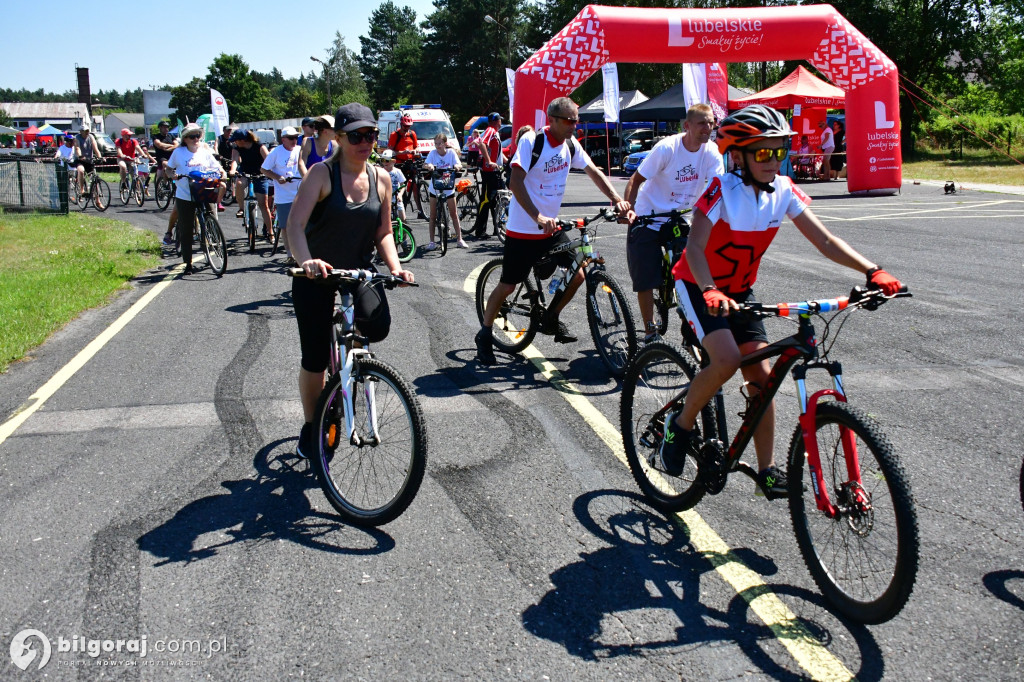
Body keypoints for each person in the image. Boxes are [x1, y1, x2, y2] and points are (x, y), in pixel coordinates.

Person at [657, 104, 903, 498]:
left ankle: (766, 469)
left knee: (763, 379)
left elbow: (825, 240)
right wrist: (709, 290)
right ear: (737, 156)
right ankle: (680, 425)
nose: (774, 161)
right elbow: (696, 247)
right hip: (698, 285)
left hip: (739, 293)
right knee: (727, 360)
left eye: (778, 151)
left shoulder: (784, 190)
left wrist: (872, 270)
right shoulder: (720, 188)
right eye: (764, 152)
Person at [285, 102, 414, 459]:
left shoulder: (382, 178)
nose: (365, 142)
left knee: (378, 326)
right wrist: (306, 260)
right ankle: (313, 427)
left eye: (371, 135)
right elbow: (294, 227)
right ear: (339, 138)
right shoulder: (321, 175)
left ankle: (350, 372)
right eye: (356, 135)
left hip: (358, 274)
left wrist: (396, 267)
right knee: (313, 359)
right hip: (316, 276)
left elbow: (384, 232)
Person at [474, 97, 631, 365]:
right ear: (553, 120)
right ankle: (485, 333)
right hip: (523, 230)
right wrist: (537, 216)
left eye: (577, 121)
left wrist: (617, 200)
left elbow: (593, 171)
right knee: (508, 286)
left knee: (579, 273)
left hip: (551, 228)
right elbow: (515, 181)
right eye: (570, 121)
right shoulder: (532, 142)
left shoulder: (570, 144)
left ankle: (551, 317)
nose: (575, 126)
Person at [622, 103, 724, 343]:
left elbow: (717, 188)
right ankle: (649, 331)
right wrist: (629, 210)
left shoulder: (711, 152)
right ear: (687, 126)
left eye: (711, 123)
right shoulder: (667, 148)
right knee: (645, 277)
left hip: (680, 216)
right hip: (649, 214)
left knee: (691, 274)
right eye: (702, 123)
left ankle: (691, 329)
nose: (707, 128)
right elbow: (635, 180)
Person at [166, 123, 227, 274]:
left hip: (203, 191)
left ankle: (213, 243)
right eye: (192, 136)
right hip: (185, 194)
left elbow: (216, 166)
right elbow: (168, 168)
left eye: (198, 136)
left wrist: (222, 172)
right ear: (185, 139)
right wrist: (172, 175)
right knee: (186, 228)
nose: (196, 139)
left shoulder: (205, 152)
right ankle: (188, 262)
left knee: (211, 219)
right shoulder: (178, 152)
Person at [261, 126, 302, 262]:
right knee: (285, 226)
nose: (294, 140)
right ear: (283, 139)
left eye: (296, 137)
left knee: (304, 224)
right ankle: (290, 254)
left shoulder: (300, 150)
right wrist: (277, 177)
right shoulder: (276, 152)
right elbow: (264, 169)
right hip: (284, 196)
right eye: (291, 138)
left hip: (301, 192)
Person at [422, 133, 467, 251]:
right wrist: (429, 166)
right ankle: (431, 242)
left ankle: (460, 239)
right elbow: (426, 164)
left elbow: (458, 163)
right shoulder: (433, 153)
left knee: (454, 214)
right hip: (435, 187)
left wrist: (457, 166)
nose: (437, 146)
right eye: (436, 144)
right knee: (433, 215)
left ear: (445, 143)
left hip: (448, 186)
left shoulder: (451, 153)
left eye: (440, 143)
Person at [229, 129, 274, 239]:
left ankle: (270, 232)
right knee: (239, 183)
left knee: (264, 205)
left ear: (243, 140)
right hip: (245, 172)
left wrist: (268, 172)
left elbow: (269, 160)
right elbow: (235, 160)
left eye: (236, 140)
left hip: (260, 174)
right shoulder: (236, 148)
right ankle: (241, 208)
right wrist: (232, 170)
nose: (234, 142)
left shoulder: (259, 146)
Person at [468, 112, 506, 240]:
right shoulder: (490, 130)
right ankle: (480, 230)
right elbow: (482, 144)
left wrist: (508, 161)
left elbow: (499, 153)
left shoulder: (495, 132)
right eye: (500, 120)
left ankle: (497, 228)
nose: (501, 122)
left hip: (494, 171)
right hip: (489, 171)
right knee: (486, 200)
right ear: (496, 121)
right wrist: (489, 161)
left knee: (495, 199)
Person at [387, 113, 425, 219]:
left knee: (416, 186)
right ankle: (399, 210)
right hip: (400, 164)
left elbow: (416, 147)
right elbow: (390, 151)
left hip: (411, 162)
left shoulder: (412, 134)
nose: (407, 129)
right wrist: (403, 152)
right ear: (401, 124)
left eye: (409, 126)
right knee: (400, 187)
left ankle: (420, 211)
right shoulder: (395, 135)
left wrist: (416, 151)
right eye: (405, 126)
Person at [73, 123, 102, 196]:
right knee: (81, 170)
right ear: (81, 132)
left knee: (93, 178)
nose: (87, 132)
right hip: (80, 160)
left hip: (89, 160)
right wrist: (80, 155)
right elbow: (77, 148)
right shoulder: (77, 137)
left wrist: (100, 157)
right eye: (85, 131)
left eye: (88, 131)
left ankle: (97, 200)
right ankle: (82, 190)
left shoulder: (91, 137)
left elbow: (95, 148)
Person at [379, 149, 407, 224]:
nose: (384, 163)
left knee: (403, 219)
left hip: (396, 198)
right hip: (385, 199)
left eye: (387, 161)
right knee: (385, 220)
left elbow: (403, 184)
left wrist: (400, 194)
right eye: (382, 160)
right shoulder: (380, 172)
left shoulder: (397, 171)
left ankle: (404, 234)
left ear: (393, 161)